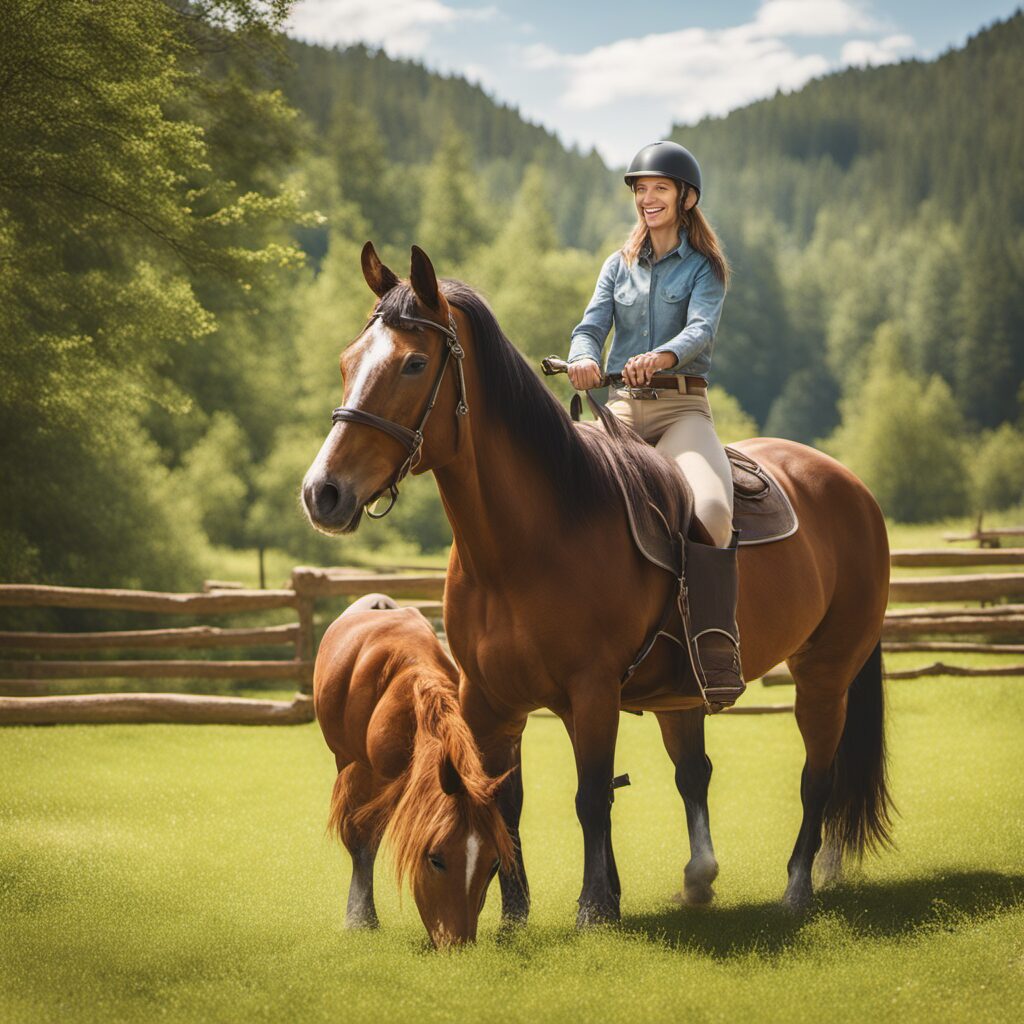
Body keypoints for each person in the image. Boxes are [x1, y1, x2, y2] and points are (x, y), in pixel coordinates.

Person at [566, 140, 744, 707]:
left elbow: (699, 331)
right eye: (640, 190)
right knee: (558, 494)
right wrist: (582, 356)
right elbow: (591, 326)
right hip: (618, 412)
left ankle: (712, 643)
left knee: (712, 512)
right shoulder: (616, 267)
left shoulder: (705, 269)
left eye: (659, 189)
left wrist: (661, 356)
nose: (647, 199)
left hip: (681, 411)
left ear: (685, 198)